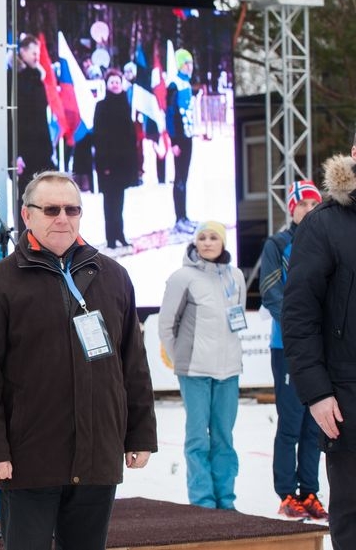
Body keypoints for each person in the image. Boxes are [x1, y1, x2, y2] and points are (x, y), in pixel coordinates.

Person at [0, 170, 157, 550]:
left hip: (97, 456)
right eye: (51, 209)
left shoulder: (113, 276)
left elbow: (133, 363)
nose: (62, 218)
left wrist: (141, 434)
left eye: (72, 209)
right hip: (29, 458)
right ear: (27, 215)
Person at [282, 139, 356, 547]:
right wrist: (317, 392)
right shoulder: (324, 223)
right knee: (352, 514)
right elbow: (299, 315)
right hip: (347, 399)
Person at [158, 221, 247, 509]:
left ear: (222, 242)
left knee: (224, 438)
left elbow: (238, 315)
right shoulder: (181, 277)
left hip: (228, 371)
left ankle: (226, 499)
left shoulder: (236, 276)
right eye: (202, 238)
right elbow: (166, 325)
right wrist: (181, 358)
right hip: (194, 372)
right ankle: (202, 501)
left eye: (213, 237)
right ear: (195, 243)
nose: (207, 242)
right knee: (198, 439)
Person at [259, 180, 328, 520]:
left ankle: (310, 491)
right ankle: (286, 492)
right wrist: (300, 330)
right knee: (291, 422)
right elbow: (271, 292)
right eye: (302, 205)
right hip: (286, 346)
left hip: (320, 347)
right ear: (291, 210)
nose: (308, 210)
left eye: (314, 204)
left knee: (315, 424)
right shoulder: (278, 244)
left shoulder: (325, 242)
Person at [93, 68, 140, 250]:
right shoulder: (101, 106)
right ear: (107, 84)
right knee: (109, 201)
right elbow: (99, 136)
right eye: (112, 82)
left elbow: (129, 136)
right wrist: (104, 163)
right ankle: (110, 237)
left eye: (117, 82)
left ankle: (120, 234)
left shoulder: (125, 104)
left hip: (123, 163)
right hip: (108, 163)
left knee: (119, 201)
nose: (115, 85)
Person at [12, 35, 55, 227]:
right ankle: (25, 244)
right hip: (26, 150)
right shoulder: (15, 78)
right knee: (25, 200)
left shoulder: (37, 77)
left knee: (43, 201)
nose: (37, 56)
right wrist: (16, 154)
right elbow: (15, 119)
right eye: (33, 52)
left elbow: (40, 115)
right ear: (22, 51)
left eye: (38, 52)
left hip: (41, 148)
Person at [166, 49, 196, 234]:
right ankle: (179, 218)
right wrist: (174, 140)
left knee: (184, 177)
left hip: (188, 135)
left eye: (191, 63)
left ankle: (184, 215)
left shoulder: (186, 83)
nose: (190, 67)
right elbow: (170, 114)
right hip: (180, 138)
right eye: (187, 63)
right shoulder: (174, 84)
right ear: (180, 65)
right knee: (179, 178)